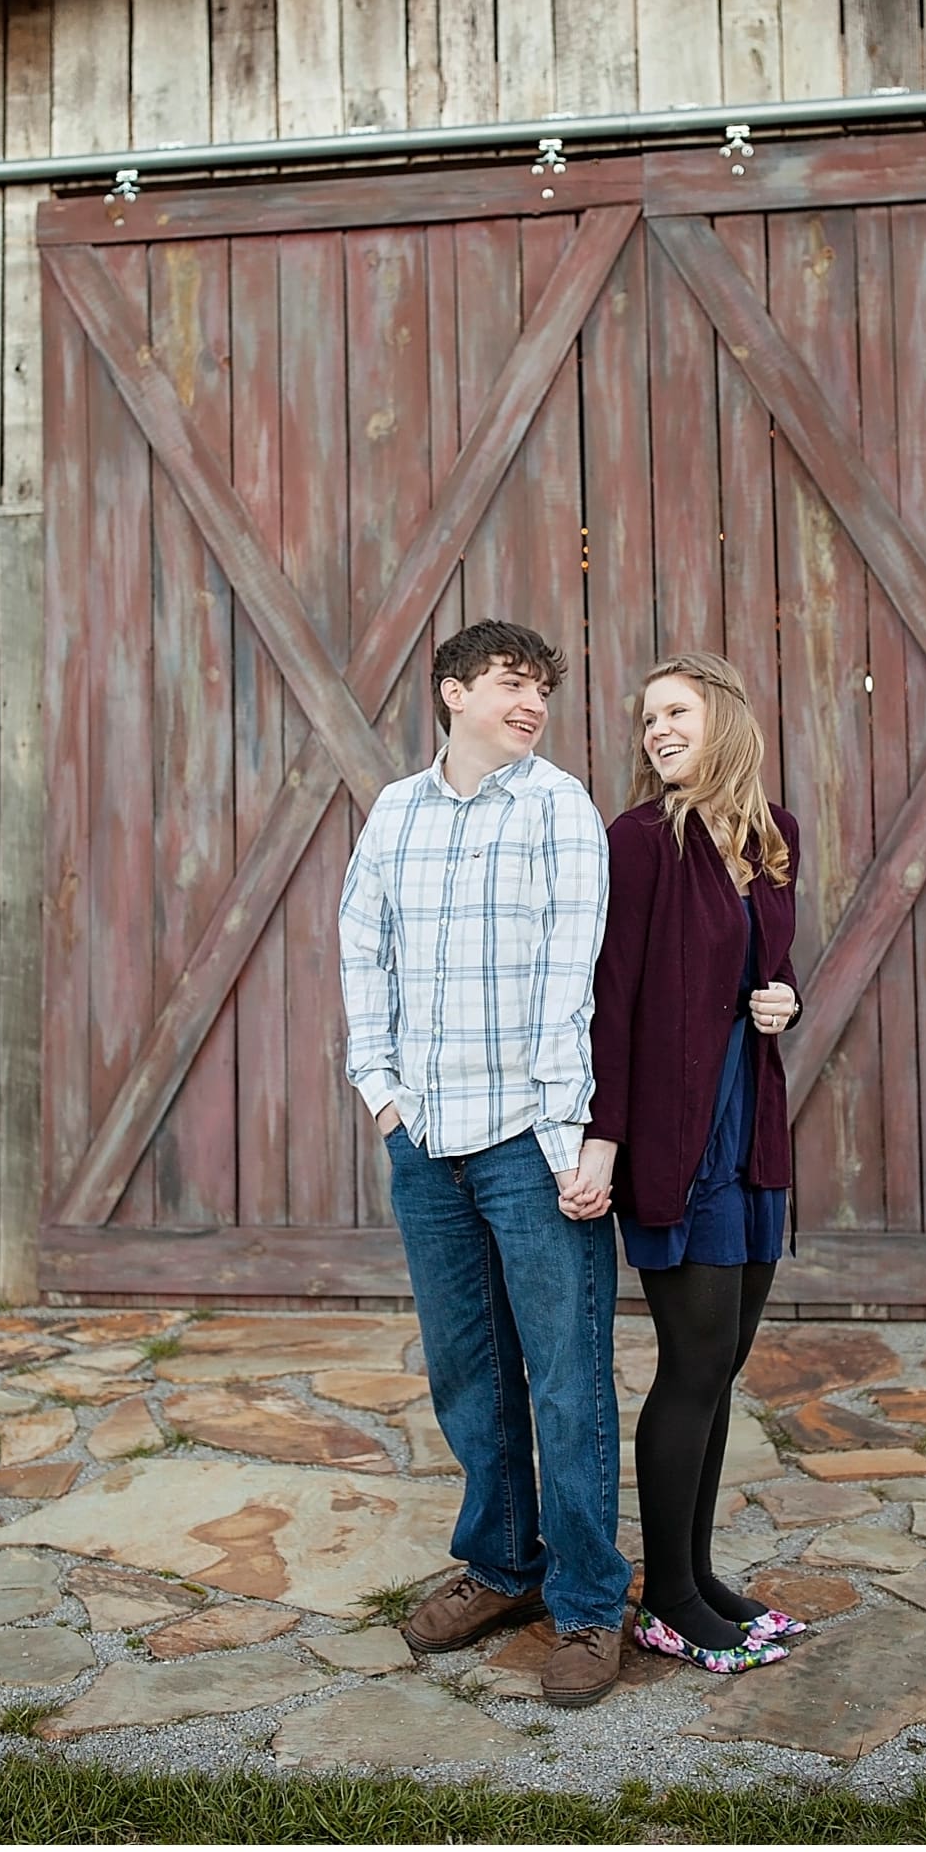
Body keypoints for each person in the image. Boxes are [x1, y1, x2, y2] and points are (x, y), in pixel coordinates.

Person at [338, 619, 630, 1709]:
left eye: (543, 687)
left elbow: (574, 981)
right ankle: (505, 1567)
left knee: (566, 1376)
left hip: (526, 1140)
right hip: (427, 1144)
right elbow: (361, 942)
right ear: (453, 690)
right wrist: (383, 1095)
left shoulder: (559, 808)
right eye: (512, 682)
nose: (532, 702)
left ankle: (593, 1604)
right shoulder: (396, 811)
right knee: (468, 1371)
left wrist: (567, 1136)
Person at [582, 652, 804, 1673]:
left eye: (673, 710)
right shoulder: (639, 840)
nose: (655, 730)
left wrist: (781, 999)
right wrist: (607, 1139)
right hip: (679, 1139)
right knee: (693, 1361)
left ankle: (699, 1574)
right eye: (646, 718)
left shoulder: (774, 837)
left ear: (724, 712)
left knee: (725, 1366)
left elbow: (769, 966)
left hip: (752, 1127)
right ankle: (666, 1598)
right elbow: (616, 996)